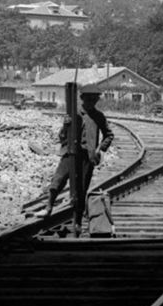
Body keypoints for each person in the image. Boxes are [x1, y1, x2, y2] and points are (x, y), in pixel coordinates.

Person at [44, 89, 115, 233]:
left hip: (87, 157)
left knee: (81, 189)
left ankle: (77, 222)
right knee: (58, 179)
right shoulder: (73, 115)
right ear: (82, 99)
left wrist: (100, 149)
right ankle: (49, 206)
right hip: (70, 153)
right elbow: (62, 136)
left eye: (94, 100)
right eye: (88, 99)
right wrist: (65, 125)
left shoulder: (98, 116)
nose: (91, 103)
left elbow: (109, 135)